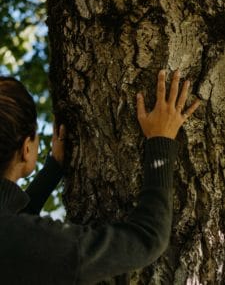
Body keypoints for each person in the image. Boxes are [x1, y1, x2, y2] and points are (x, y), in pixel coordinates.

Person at [0, 69, 200, 285]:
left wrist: (53, 169)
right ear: (26, 149)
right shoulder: (25, 242)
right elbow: (147, 239)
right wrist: (160, 140)